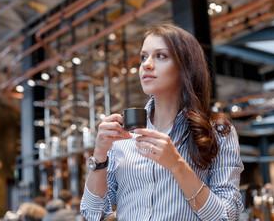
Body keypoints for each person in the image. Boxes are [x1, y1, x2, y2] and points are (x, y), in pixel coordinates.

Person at [80, 23, 244, 220]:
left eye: (160, 56)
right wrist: (99, 156)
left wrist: (177, 165)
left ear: (186, 66)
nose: (146, 64)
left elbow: (226, 216)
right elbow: (93, 213)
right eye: (143, 57)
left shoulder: (217, 130)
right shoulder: (124, 134)